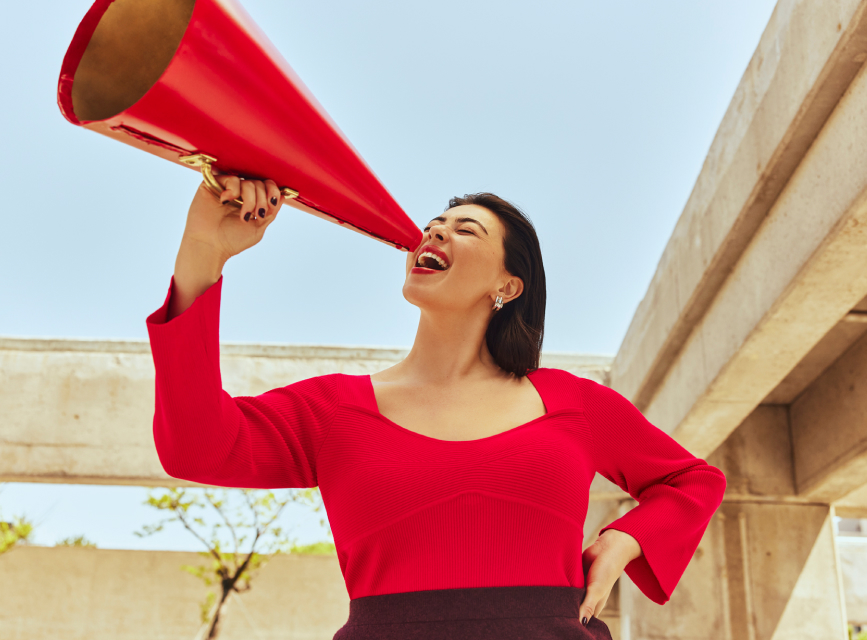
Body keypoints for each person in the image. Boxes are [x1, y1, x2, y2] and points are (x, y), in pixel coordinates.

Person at [146, 175, 727, 640]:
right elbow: (196, 447)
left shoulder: (574, 405)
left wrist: (625, 540)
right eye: (430, 227)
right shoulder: (331, 411)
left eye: (464, 230)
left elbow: (692, 480)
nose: (434, 234)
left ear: (509, 283)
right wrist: (204, 249)